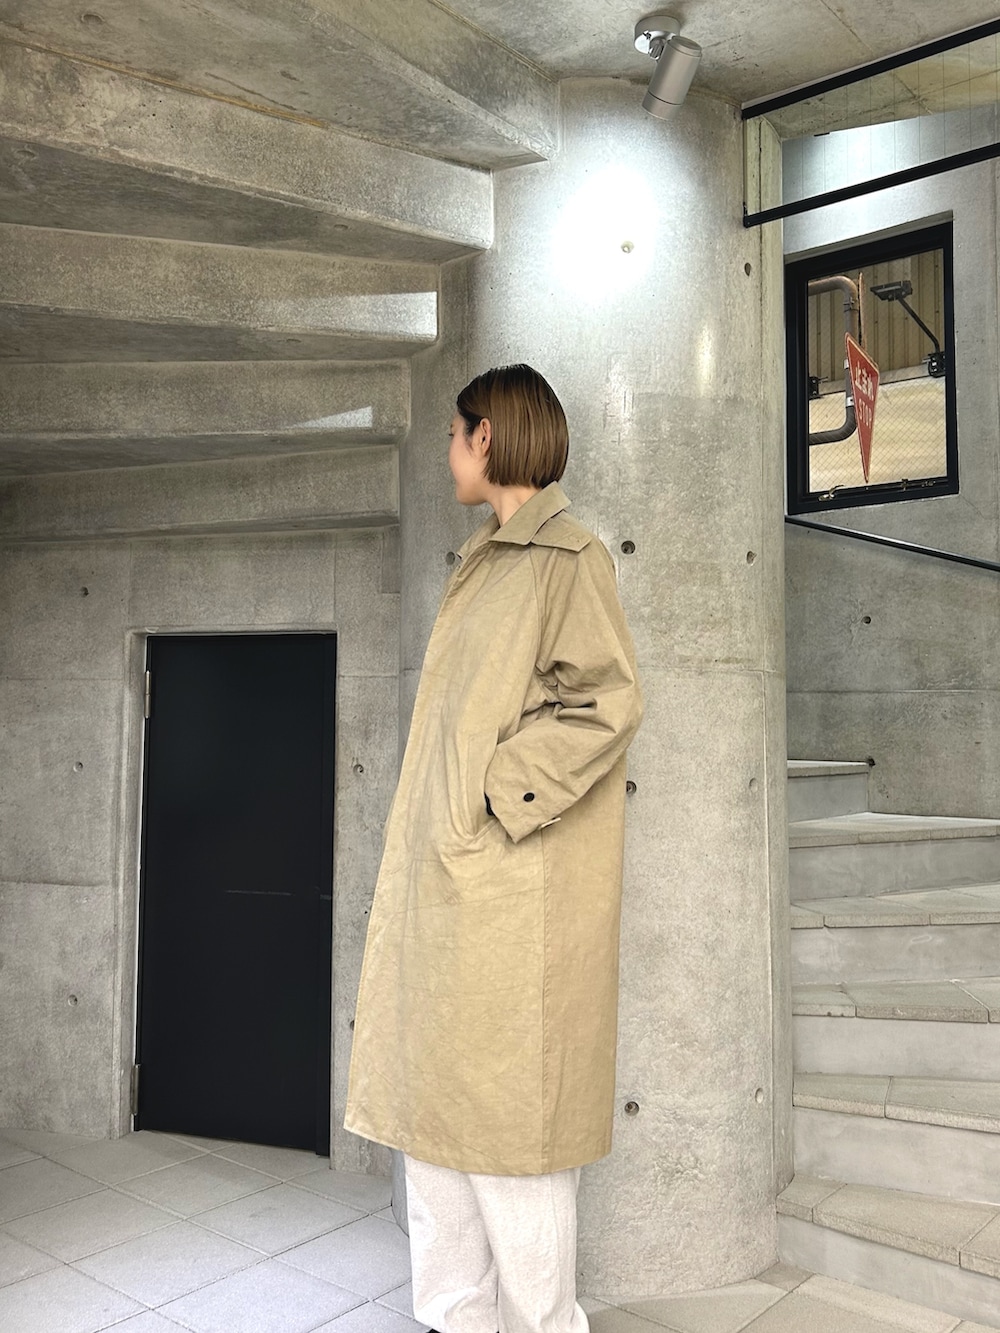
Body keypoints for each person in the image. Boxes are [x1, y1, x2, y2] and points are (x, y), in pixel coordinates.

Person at [345, 363, 643, 1333]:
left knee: (512, 1138)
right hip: (450, 886)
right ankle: (454, 1318)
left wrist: (491, 792)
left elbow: (605, 703)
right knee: (434, 1123)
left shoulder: (567, 558)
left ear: (488, 437)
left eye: (453, 433)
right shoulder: (482, 560)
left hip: (509, 894)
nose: (446, 452)